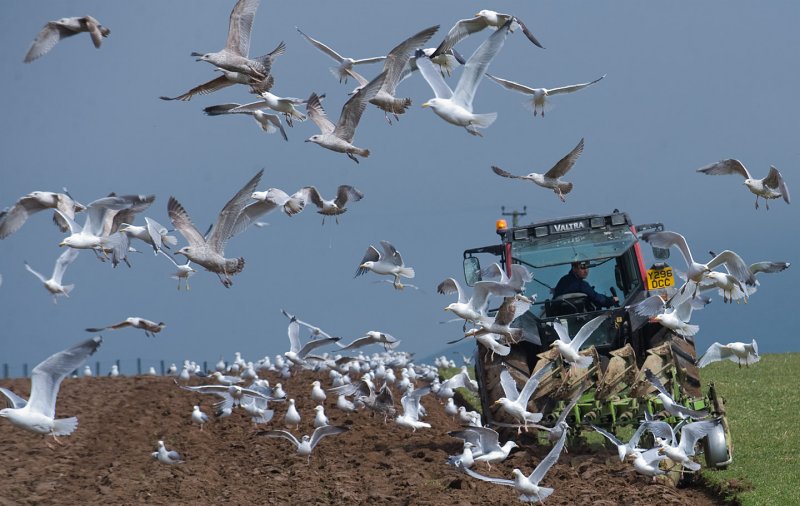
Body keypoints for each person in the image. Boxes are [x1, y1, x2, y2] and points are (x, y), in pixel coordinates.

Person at [553, 261, 618, 309]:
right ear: (574, 268)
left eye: (587, 267)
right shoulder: (581, 285)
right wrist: (611, 300)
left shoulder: (562, 281)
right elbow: (597, 298)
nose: (586, 271)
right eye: (582, 268)